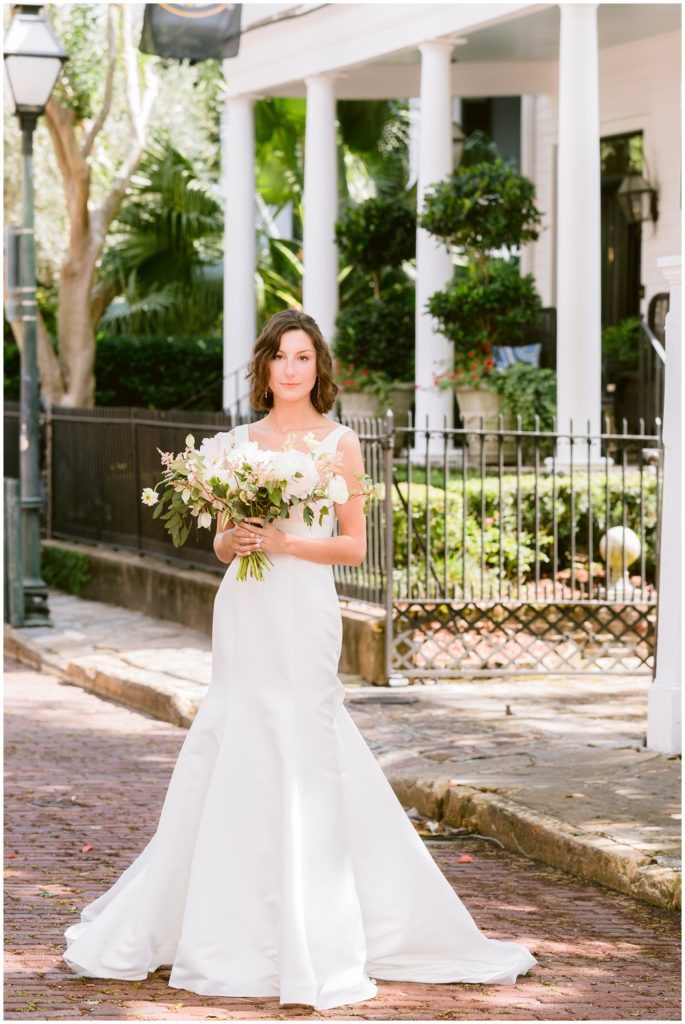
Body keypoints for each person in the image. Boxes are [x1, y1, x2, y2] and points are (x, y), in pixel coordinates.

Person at [62, 309, 537, 1010]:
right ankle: (218, 923)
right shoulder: (234, 444)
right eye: (281, 356)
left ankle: (319, 926)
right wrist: (241, 540)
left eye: (303, 357)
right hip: (245, 612)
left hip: (305, 607)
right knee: (237, 734)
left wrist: (284, 544)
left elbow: (352, 547)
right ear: (265, 367)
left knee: (305, 738)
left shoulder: (341, 444)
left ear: (319, 369)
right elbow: (220, 543)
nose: (291, 368)